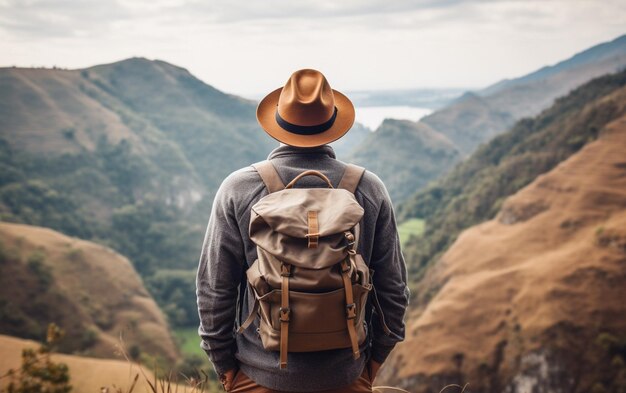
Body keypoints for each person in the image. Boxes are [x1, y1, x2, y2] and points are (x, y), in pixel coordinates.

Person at [196, 69, 409, 393]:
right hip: (346, 377)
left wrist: (224, 364)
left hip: (259, 378)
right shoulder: (368, 188)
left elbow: (214, 290)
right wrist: (375, 360)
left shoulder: (239, 189)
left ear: (278, 125)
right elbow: (393, 288)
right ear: (332, 126)